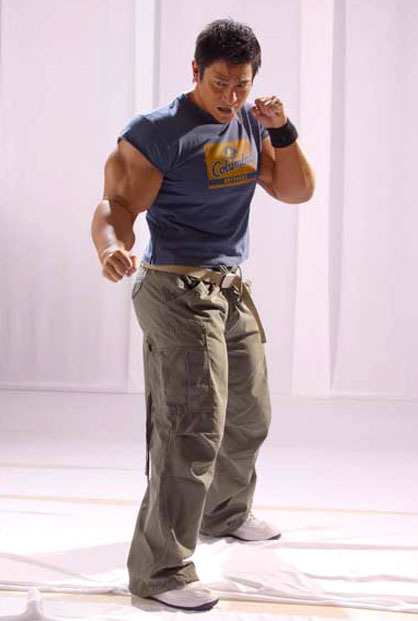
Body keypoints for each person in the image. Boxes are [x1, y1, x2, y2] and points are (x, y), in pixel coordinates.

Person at [91, 17, 315, 613]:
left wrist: (282, 129)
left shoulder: (250, 122)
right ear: (195, 71)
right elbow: (116, 204)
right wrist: (111, 247)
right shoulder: (156, 133)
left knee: (249, 412)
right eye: (220, 83)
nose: (231, 97)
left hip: (230, 288)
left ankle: (225, 511)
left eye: (242, 84)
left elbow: (296, 190)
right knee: (190, 427)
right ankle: (159, 571)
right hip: (174, 290)